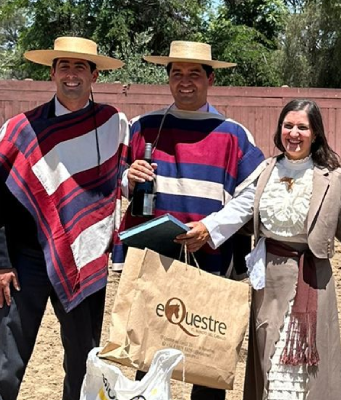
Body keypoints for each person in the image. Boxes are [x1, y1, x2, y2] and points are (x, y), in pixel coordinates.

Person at [0, 37, 128, 400]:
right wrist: (1, 263)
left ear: (94, 75)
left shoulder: (112, 125)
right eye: (64, 67)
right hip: (25, 261)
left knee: (82, 358)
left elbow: (122, 181)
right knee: (6, 359)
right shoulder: (21, 129)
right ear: (52, 73)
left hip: (83, 260)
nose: (71, 75)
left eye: (80, 68)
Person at [114, 40, 265, 400]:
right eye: (177, 73)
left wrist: (211, 228)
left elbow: (253, 193)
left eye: (194, 74)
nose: (185, 81)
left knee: (207, 357)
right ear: (167, 79)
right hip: (156, 259)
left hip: (209, 258)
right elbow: (113, 181)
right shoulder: (143, 127)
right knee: (148, 353)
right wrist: (127, 178)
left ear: (210, 79)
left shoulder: (233, 134)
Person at [242, 99, 341, 400]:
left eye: (302, 127)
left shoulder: (335, 177)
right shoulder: (265, 171)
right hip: (270, 282)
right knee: (270, 362)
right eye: (288, 125)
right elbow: (239, 212)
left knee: (304, 374)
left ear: (316, 133)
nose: (294, 133)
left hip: (314, 280)